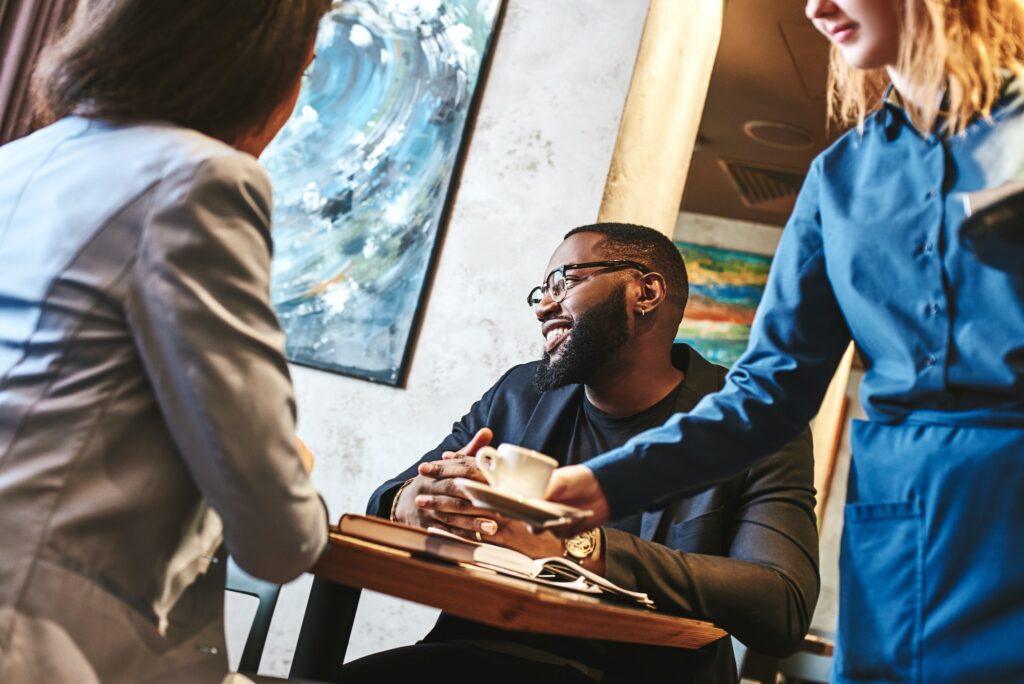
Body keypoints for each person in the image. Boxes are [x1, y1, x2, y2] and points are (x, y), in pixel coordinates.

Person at [545, 2, 1024, 682]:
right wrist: (602, 483)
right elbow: (770, 392)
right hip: (901, 534)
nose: (815, 8)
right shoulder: (839, 179)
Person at [0, 1, 332, 681]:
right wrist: (291, 473)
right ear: (255, 69)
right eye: (304, 70)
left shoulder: (20, 159)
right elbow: (277, 540)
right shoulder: (200, 178)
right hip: (45, 634)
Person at [344, 223, 820, 684]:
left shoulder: (756, 426)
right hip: (477, 654)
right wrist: (416, 500)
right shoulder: (518, 395)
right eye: (540, 291)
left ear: (645, 292)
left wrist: (579, 547)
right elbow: (383, 502)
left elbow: (782, 603)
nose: (543, 306)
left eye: (564, 282)